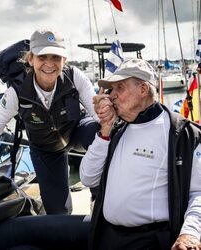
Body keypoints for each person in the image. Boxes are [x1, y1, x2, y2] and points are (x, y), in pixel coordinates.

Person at [0, 28, 100, 215]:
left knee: (97, 133)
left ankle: (98, 199)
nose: (49, 64)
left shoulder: (75, 77)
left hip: (75, 132)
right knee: (58, 211)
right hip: (45, 149)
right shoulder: (16, 92)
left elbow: (99, 117)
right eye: (42, 57)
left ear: (64, 60)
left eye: (56, 58)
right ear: (30, 59)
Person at [80, 58, 201, 249]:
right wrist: (105, 130)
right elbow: (88, 178)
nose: (112, 96)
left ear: (143, 89)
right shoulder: (115, 129)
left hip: (149, 242)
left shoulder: (180, 133)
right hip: (106, 236)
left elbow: (198, 192)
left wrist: (190, 233)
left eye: (119, 88)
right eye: (111, 89)